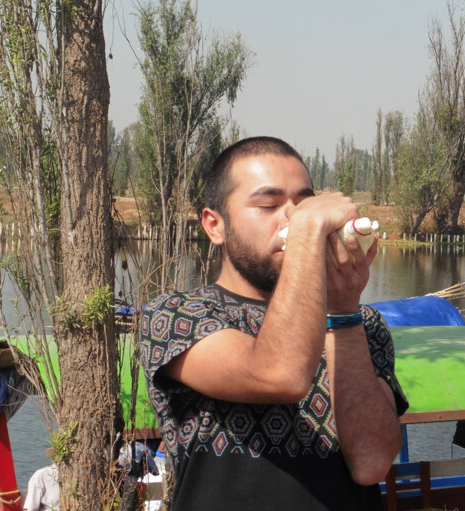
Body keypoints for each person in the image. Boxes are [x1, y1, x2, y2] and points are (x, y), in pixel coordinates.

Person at [139, 137, 408, 511]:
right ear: (214, 226)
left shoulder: (361, 324)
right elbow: (281, 373)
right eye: (269, 204)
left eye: (305, 203)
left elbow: (371, 462)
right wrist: (311, 226)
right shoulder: (176, 315)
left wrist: (343, 311)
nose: (292, 217)